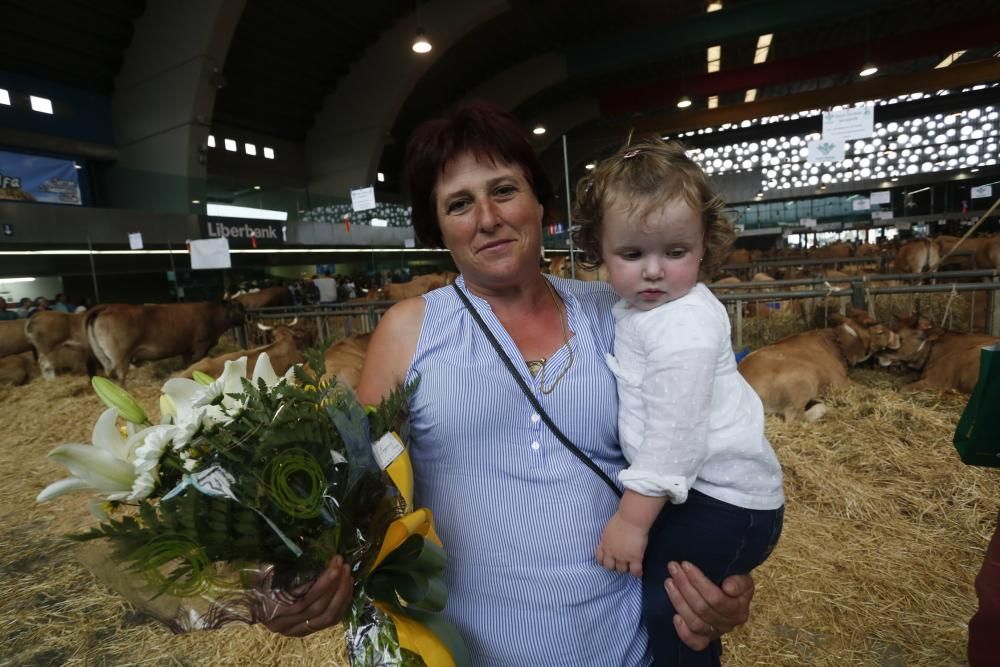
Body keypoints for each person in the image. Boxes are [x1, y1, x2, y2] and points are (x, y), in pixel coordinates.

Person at [262, 102, 755, 664]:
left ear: (540, 203)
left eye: (503, 190)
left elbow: (701, 437)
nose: (487, 218)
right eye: (459, 204)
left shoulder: (621, 314)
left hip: (626, 642)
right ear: (437, 226)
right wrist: (310, 575)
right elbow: (357, 492)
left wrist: (721, 571)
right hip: (475, 646)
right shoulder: (408, 331)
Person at [572, 138, 784, 666]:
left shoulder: (682, 323)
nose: (652, 271)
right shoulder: (644, 311)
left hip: (722, 503)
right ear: (597, 249)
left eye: (675, 252)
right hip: (714, 500)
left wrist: (632, 522)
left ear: (705, 246)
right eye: (631, 254)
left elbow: (676, 435)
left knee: (675, 619)